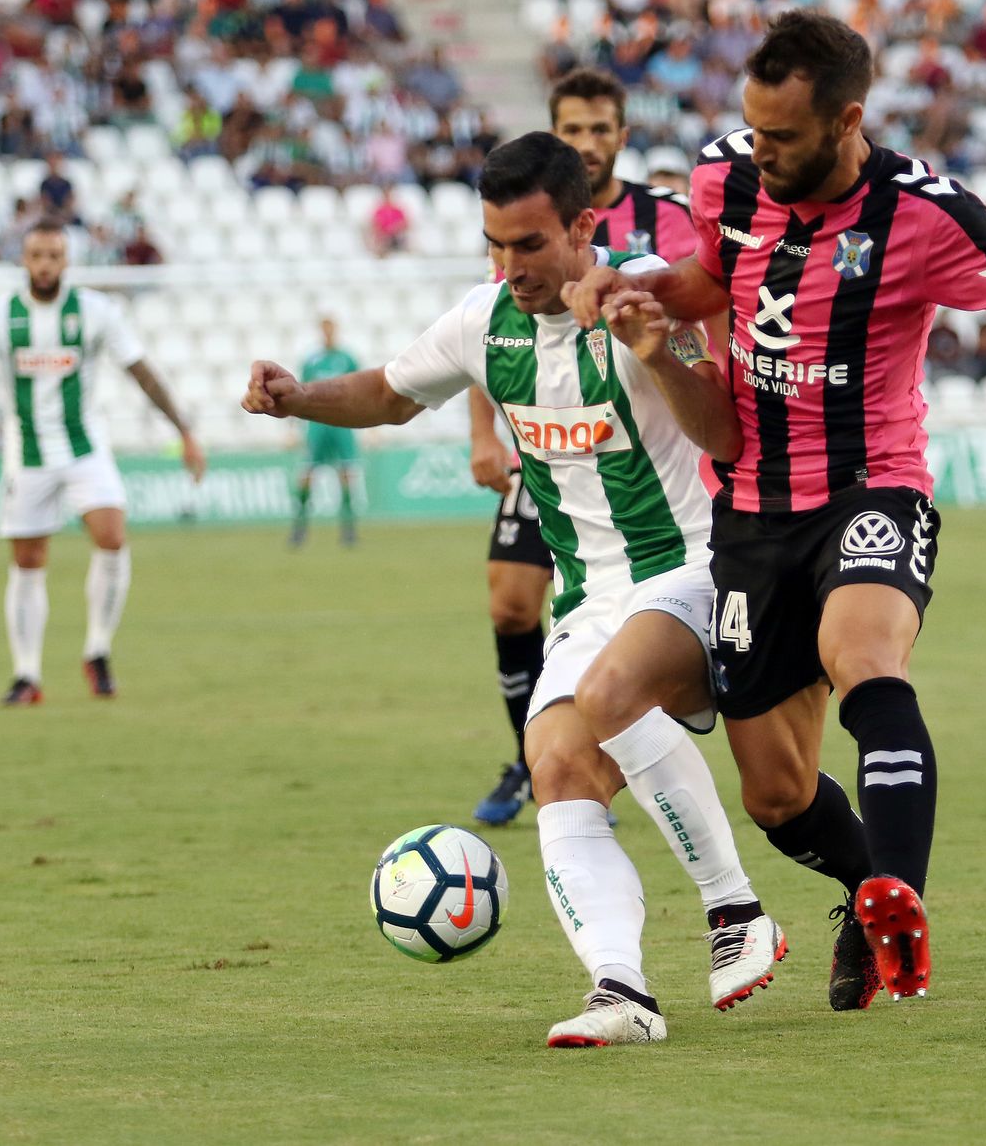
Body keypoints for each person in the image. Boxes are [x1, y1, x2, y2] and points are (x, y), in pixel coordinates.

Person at [567, 11, 986, 1010]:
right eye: (751, 130)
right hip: (752, 514)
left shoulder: (927, 214)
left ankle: (900, 890)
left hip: (873, 485)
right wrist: (635, 288)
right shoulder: (723, 176)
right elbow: (703, 281)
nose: (758, 152)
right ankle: (865, 887)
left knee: (866, 651)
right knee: (775, 792)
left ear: (846, 121)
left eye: (781, 137)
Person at [243, 132, 784, 1047]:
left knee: (619, 700)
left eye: (528, 245)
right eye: (494, 244)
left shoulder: (648, 291)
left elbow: (725, 436)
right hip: (591, 594)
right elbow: (387, 394)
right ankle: (623, 992)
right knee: (556, 765)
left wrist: (652, 353)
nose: (510, 266)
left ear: (583, 225)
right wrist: (298, 399)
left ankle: (735, 911)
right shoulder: (484, 320)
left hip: (697, 566)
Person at [468, 67, 698, 826]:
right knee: (508, 603)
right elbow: (483, 327)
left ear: (622, 138)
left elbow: (708, 310)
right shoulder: (519, 224)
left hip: (643, 453)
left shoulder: (666, 219)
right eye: (574, 129)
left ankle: (627, 727)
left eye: (602, 129)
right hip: (550, 445)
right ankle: (535, 755)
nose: (588, 143)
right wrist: (482, 433)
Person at [0, 220, 207, 705]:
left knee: (111, 536)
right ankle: (27, 675)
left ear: (66, 260)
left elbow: (142, 372)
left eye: (54, 255)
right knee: (28, 561)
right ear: (24, 260)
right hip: (26, 453)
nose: (45, 264)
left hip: (84, 447)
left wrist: (184, 430)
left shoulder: (96, 311)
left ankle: (97, 649)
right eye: (37, 255)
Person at [289, 316, 360, 549]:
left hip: (342, 421)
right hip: (317, 423)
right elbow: (299, 392)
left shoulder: (347, 359)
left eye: (331, 329)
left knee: (347, 474)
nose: (328, 333)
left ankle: (348, 529)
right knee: (307, 473)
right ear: (320, 331)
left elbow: (361, 390)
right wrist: (293, 425)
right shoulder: (311, 360)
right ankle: (300, 527)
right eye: (324, 329)